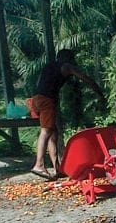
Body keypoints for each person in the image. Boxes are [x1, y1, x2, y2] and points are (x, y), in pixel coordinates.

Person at [30, 49, 105, 180]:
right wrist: (99, 91)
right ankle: (39, 165)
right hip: (47, 99)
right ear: (68, 58)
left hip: (37, 99)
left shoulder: (49, 66)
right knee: (46, 132)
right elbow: (84, 78)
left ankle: (57, 168)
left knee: (53, 133)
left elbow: (39, 83)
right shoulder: (66, 66)